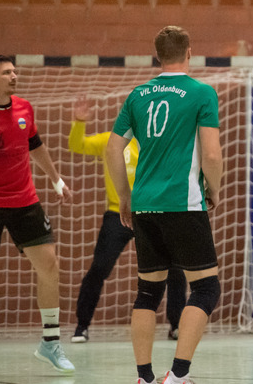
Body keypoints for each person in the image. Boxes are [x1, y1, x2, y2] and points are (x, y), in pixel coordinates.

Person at [106, 26, 224, 384]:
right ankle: (179, 376)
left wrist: (125, 197)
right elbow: (211, 155)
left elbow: (112, 149)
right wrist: (214, 189)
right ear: (189, 52)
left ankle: (144, 383)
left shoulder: (138, 95)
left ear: (157, 55)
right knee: (205, 288)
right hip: (183, 203)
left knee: (148, 291)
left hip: (144, 205)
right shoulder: (201, 92)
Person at [0, 55, 76, 374]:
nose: (15, 76)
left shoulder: (24, 108)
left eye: (15, 71)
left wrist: (56, 180)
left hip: (25, 201)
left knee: (50, 265)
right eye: (7, 72)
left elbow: (35, 145)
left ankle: (50, 343)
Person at [67, 96, 186, 343]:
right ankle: (81, 326)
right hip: (117, 215)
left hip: (153, 213)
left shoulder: (156, 143)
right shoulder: (109, 141)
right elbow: (77, 145)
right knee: (99, 267)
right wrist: (79, 122)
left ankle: (176, 325)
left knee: (175, 269)